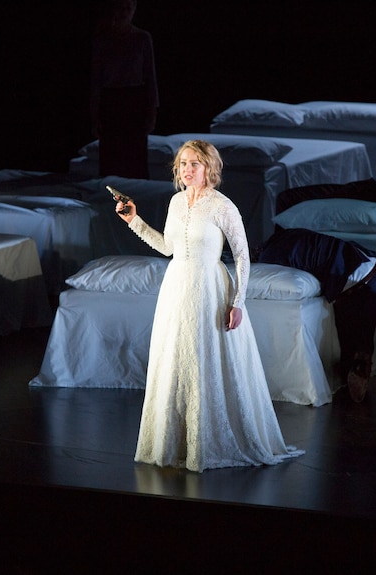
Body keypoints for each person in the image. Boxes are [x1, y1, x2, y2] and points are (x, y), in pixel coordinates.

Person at [115, 139, 303, 472]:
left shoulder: (222, 206)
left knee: (206, 361)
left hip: (209, 286)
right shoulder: (175, 202)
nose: (188, 170)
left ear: (209, 168)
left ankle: (208, 444)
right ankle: (175, 443)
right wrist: (134, 221)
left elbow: (243, 256)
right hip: (177, 286)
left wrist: (238, 301)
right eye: (183, 164)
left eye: (195, 164)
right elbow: (167, 247)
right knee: (176, 359)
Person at [256, 227, 376, 403]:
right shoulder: (292, 234)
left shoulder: (270, 255)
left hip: (358, 285)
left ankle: (360, 358)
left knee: (353, 315)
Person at [90, 0, 159, 178]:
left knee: (135, 157)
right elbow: (96, 79)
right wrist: (94, 113)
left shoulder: (142, 38)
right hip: (111, 99)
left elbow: (150, 76)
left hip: (134, 99)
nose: (124, 12)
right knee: (111, 156)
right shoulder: (103, 39)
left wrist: (152, 111)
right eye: (121, 8)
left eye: (128, 8)